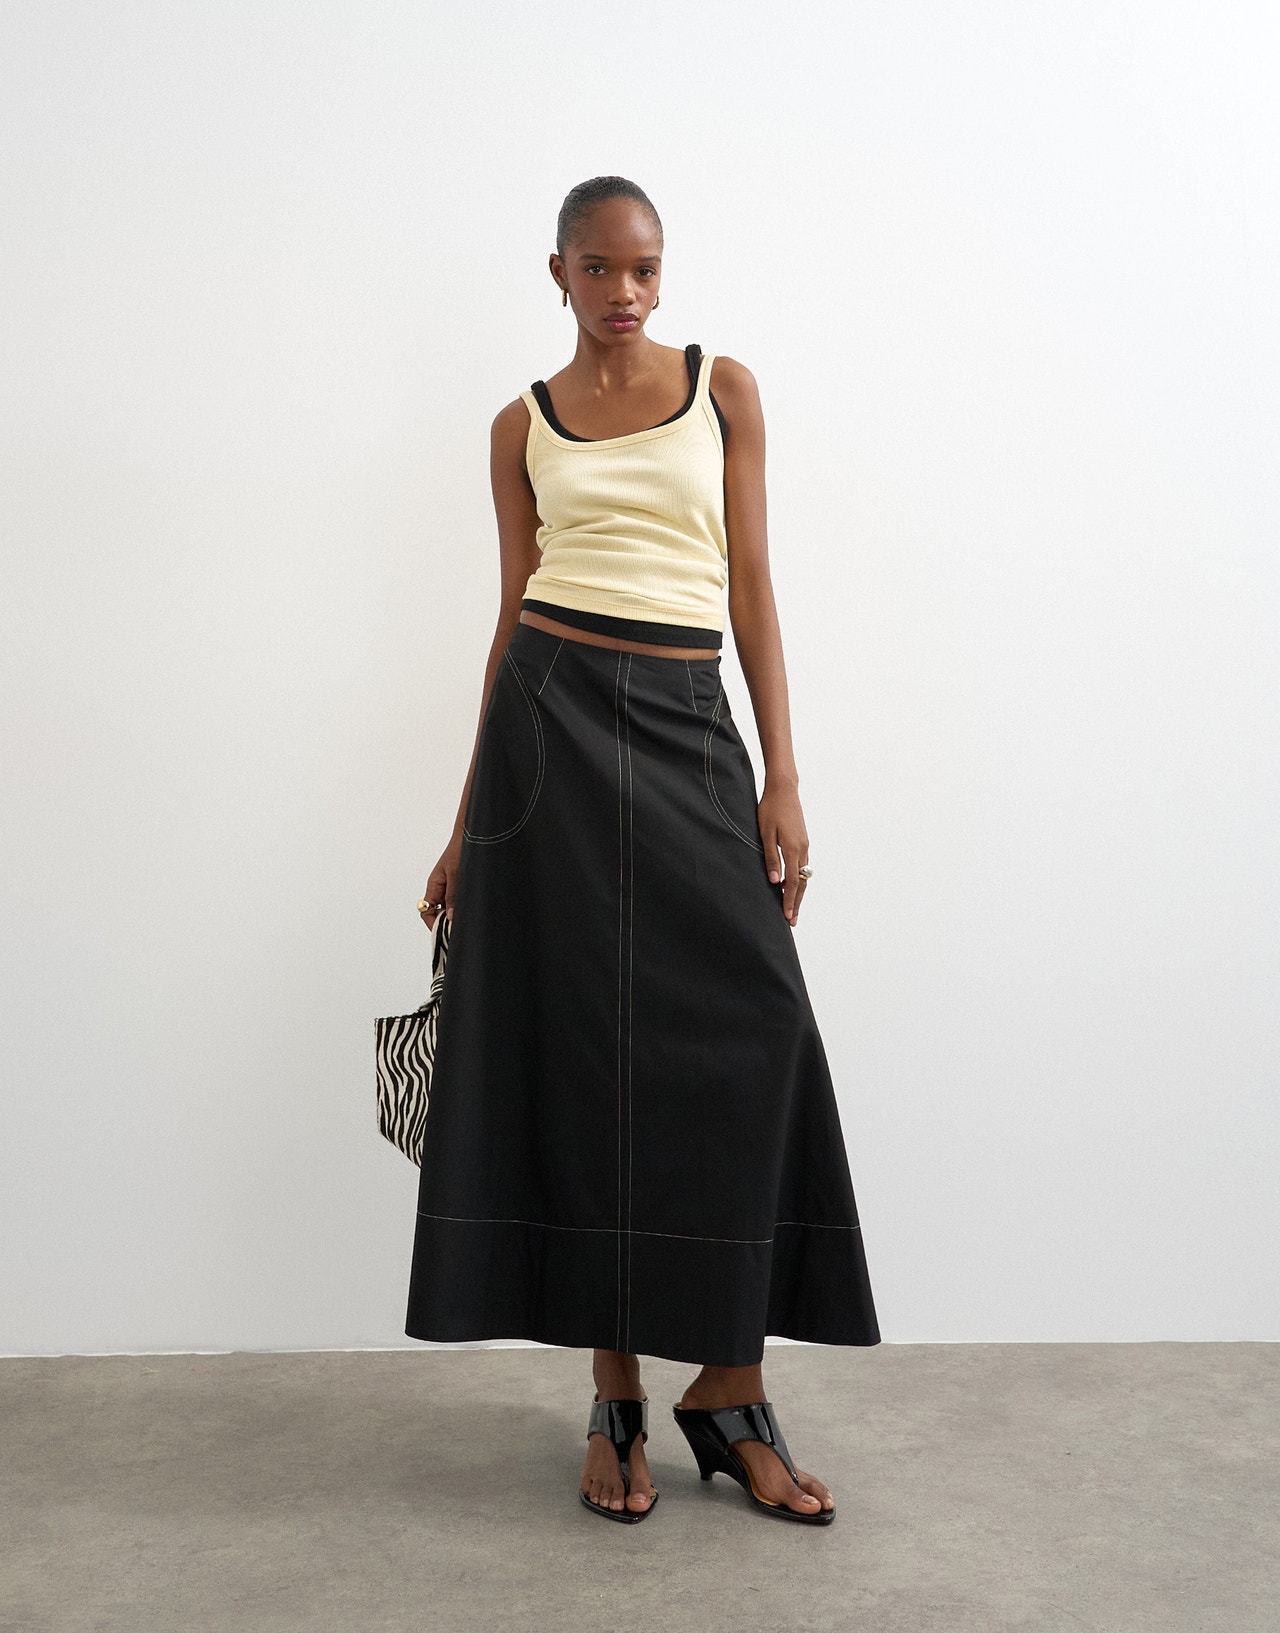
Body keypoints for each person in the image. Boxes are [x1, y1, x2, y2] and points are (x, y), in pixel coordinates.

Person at [406, 176, 880, 1526]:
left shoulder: (725, 390)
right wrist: (464, 823)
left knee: (759, 1023)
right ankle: (614, 1391)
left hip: (685, 718)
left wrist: (783, 776)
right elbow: (511, 611)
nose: (627, 292)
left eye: (647, 268)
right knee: (584, 1053)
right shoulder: (520, 425)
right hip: (547, 729)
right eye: (602, 268)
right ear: (558, 270)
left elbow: (752, 588)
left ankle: (728, 1387)